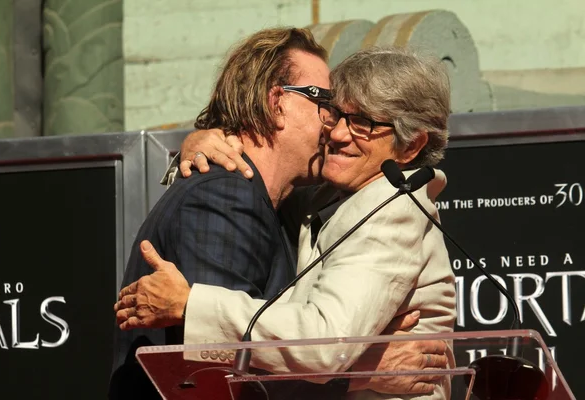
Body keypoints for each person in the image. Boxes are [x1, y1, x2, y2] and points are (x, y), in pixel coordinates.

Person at [110, 29, 448, 399]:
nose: (334, 130)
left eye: (362, 123)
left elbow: (309, 346)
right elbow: (215, 373)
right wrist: (363, 371)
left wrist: (191, 304)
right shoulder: (230, 196)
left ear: (411, 145)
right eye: (331, 107)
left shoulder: (385, 207)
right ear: (276, 102)